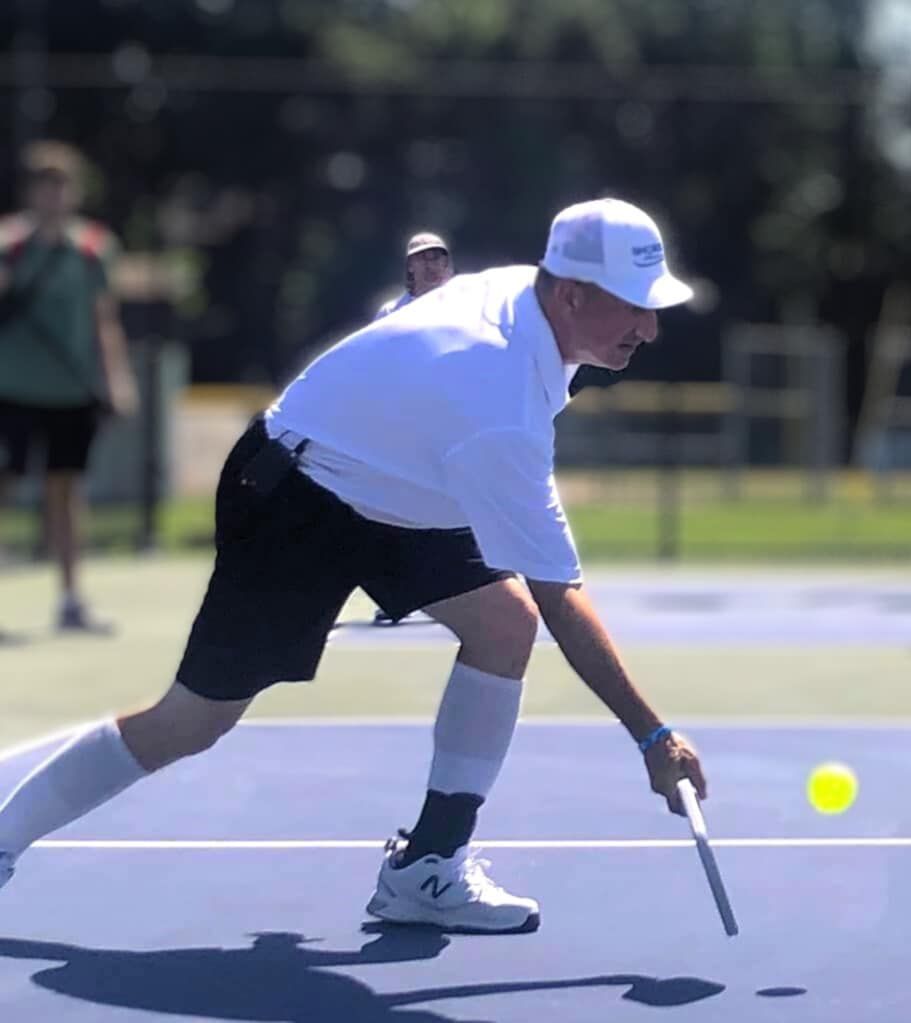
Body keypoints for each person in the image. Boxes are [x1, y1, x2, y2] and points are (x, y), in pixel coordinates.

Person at [0, 198, 708, 934]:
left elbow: (423, 343)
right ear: (570, 293)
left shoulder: (517, 297)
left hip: (395, 486)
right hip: (296, 496)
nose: (649, 328)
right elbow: (563, 597)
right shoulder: (498, 404)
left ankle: (426, 867)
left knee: (503, 624)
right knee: (192, 720)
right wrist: (655, 737)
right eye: (635, 308)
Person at [0, 141, 139, 633]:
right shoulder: (9, 246)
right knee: (6, 487)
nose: (54, 196)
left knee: (65, 491)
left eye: (62, 186)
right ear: (31, 192)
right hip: (11, 390)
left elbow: (105, 321)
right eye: (45, 185)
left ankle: (70, 601)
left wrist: (116, 381)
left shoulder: (92, 249)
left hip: (71, 392)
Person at [371, 231, 456, 627]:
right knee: (398, 513)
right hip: (406, 432)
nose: (432, 264)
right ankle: (398, 594)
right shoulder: (393, 312)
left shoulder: (465, 307)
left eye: (438, 257)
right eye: (423, 258)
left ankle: (481, 593)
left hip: (454, 428)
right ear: (410, 266)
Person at [376, 231, 455, 320]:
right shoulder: (390, 312)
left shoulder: (460, 304)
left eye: (435, 257)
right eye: (422, 258)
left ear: (445, 262)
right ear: (410, 266)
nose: (430, 265)